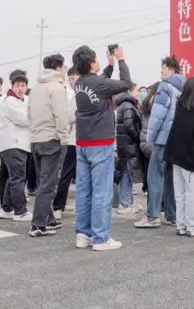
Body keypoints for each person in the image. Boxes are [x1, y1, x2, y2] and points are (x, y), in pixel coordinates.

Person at [71, 44, 133, 251]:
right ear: (91, 64)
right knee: (101, 192)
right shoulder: (98, 83)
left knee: (84, 191)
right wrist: (121, 60)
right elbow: (125, 83)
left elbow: (98, 84)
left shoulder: (79, 83)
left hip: (82, 143)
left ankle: (83, 234)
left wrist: (109, 65)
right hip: (100, 143)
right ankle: (100, 238)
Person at [136, 56, 182, 229]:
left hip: (162, 138)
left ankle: (152, 215)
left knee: (154, 174)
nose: (161, 71)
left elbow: (158, 114)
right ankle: (172, 215)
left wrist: (151, 136)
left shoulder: (165, 86)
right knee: (170, 176)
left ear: (170, 69)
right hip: (175, 138)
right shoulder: (183, 87)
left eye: (163, 68)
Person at [28, 54, 71, 237]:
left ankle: (49, 219)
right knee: (48, 184)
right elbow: (61, 116)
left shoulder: (36, 88)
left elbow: (29, 114)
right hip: (52, 139)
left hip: (36, 139)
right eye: (64, 67)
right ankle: (38, 225)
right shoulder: (57, 88)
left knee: (42, 181)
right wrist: (64, 138)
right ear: (59, 68)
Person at [163, 76, 194, 237]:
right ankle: (193, 226)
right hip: (190, 157)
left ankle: (181, 225)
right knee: (191, 194)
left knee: (180, 193)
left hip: (175, 156)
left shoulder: (180, 106)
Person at [0, 70, 32, 221]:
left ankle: (6, 209)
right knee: (18, 178)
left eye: (23, 86)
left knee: (14, 177)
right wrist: (36, 118)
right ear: (12, 86)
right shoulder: (9, 100)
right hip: (13, 144)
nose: (20, 88)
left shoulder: (25, 99)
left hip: (18, 144)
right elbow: (23, 119)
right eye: (17, 85)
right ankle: (20, 211)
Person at [50, 70, 78, 217]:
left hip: (77, 140)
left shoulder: (77, 96)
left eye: (74, 78)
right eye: (70, 79)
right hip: (74, 140)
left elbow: (70, 117)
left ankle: (58, 206)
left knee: (67, 174)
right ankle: (58, 206)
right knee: (67, 174)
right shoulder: (73, 96)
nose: (72, 82)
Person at [114, 85, 143, 215]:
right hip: (129, 144)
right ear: (129, 92)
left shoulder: (122, 105)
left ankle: (128, 202)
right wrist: (138, 136)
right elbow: (130, 125)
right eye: (135, 90)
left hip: (123, 143)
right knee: (127, 172)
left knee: (126, 171)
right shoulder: (128, 106)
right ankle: (125, 203)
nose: (138, 93)